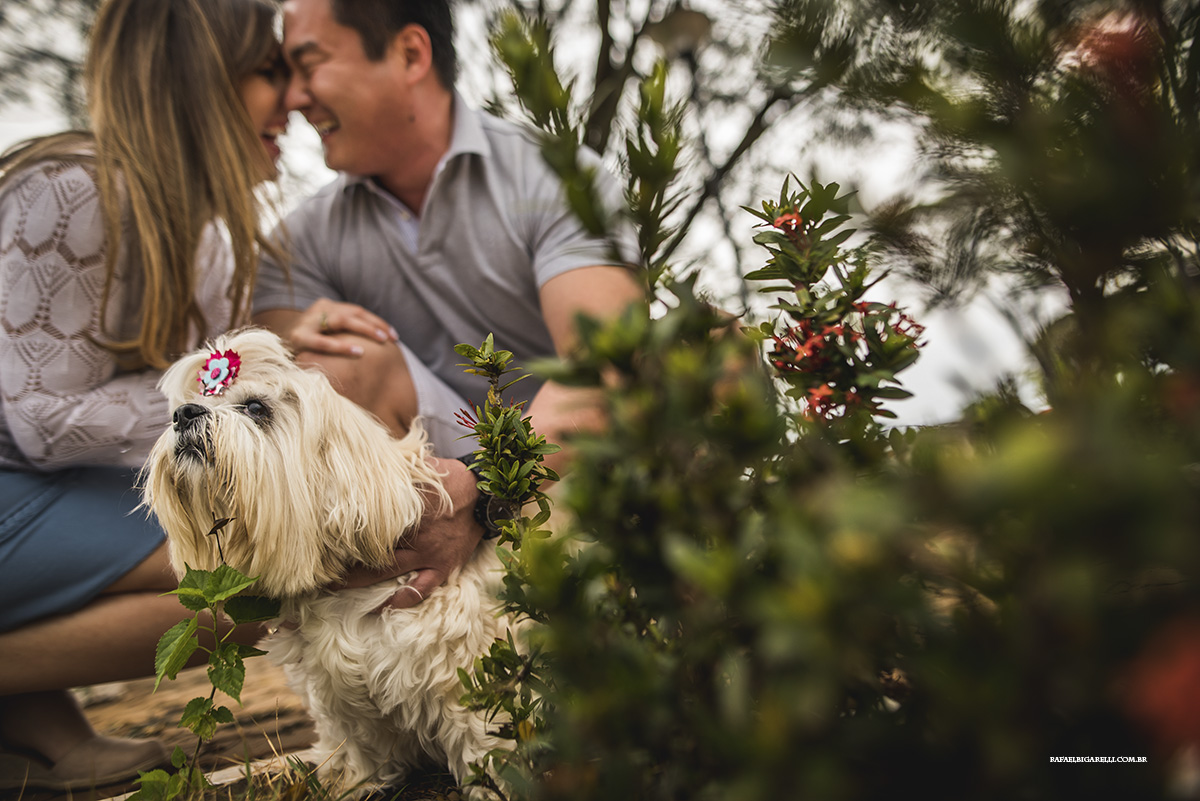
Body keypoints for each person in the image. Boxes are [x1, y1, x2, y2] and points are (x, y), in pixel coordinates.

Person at [252, 0, 644, 607]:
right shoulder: (300, 239)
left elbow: (606, 370)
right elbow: (274, 395)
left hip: (572, 464)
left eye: (310, 64)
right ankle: (395, 631)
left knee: (715, 345)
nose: (294, 97)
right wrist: (292, 331)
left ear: (410, 53)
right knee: (325, 370)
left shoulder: (554, 179)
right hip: (419, 482)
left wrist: (487, 492)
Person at [0, 0, 289, 789]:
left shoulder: (201, 232)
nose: (293, 96)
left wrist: (257, 364)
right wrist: (239, 383)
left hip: (46, 491)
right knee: (263, 573)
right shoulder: (73, 191)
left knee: (282, 562)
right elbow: (43, 421)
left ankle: (29, 721)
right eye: (271, 70)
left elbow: (202, 384)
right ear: (202, 79)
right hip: (20, 478)